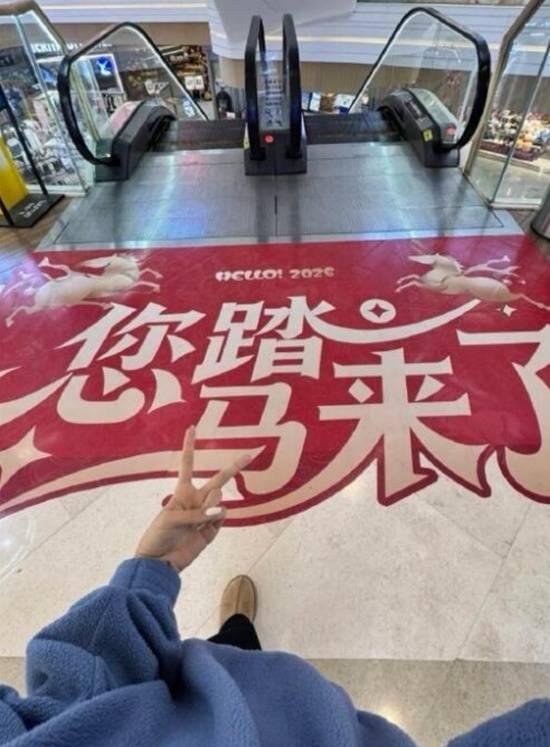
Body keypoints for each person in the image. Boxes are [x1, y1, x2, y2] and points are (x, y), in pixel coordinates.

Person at [0, 426, 548, 746]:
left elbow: (76, 697)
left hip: (211, 690)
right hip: (329, 723)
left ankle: (236, 636)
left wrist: (150, 570)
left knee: (231, 647)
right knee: (234, 652)